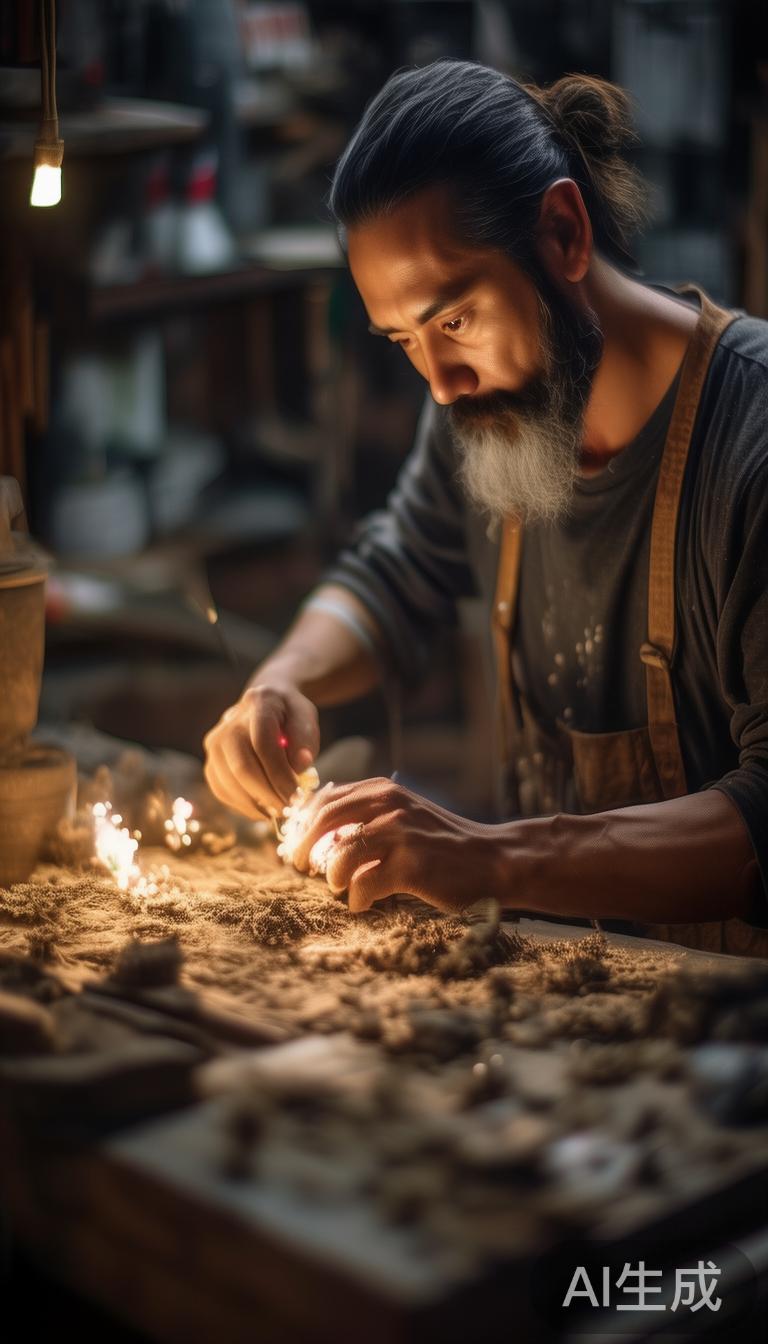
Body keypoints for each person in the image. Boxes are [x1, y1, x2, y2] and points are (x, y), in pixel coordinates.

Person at [203, 61, 768, 954]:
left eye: (455, 320)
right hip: (562, 995)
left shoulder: (751, 447)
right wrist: (283, 680)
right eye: (404, 341)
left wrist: (491, 858)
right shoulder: (490, 416)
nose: (439, 384)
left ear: (563, 233)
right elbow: (395, 572)